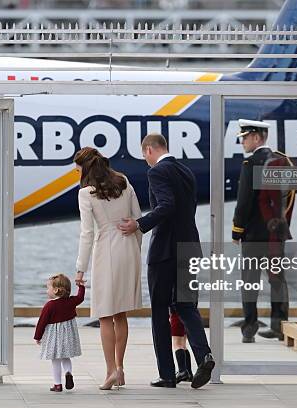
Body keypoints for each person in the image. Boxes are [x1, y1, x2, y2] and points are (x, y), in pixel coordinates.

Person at [118, 133, 214, 389]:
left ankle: (167, 374)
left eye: (144, 155)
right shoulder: (186, 171)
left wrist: (139, 224)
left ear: (149, 149)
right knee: (186, 306)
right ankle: (204, 355)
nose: (145, 161)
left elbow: (166, 205)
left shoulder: (157, 172)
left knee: (160, 310)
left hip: (165, 251)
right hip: (189, 247)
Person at [73, 147, 142, 390]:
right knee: (121, 314)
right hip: (128, 247)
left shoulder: (86, 193)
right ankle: (120, 368)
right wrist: (136, 250)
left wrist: (80, 268)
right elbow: (137, 218)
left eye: (78, 170)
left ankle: (110, 370)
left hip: (106, 248)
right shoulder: (123, 182)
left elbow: (87, 233)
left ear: (85, 169)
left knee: (104, 315)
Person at [232, 119, 295, 343]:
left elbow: (244, 202)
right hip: (274, 235)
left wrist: (236, 230)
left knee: (249, 281)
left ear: (257, 137)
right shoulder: (282, 161)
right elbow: (290, 197)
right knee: (277, 280)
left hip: (252, 235)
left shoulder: (250, 165)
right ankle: (279, 326)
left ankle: (249, 328)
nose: (242, 142)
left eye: (245, 138)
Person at [34, 274, 84, 392]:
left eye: (48, 288)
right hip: (68, 336)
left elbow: (42, 322)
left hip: (54, 337)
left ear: (56, 290)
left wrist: (38, 336)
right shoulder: (71, 301)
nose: (47, 290)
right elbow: (80, 298)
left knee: (55, 360)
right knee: (66, 357)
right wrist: (81, 286)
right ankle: (68, 372)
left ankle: (57, 384)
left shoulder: (49, 305)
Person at [170, 310, 193, 383]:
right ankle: (189, 373)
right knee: (183, 345)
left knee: (177, 344)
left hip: (176, 315)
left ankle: (182, 371)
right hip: (189, 315)